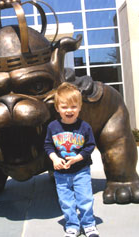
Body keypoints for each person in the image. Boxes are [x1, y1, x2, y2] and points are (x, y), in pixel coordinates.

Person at [44, 82, 99, 237]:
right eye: (64, 107)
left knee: (85, 199)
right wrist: (54, 158)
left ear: (80, 107)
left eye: (73, 106)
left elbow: (90, 146)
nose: (69, 110)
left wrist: (77, 158)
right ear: (57, 108)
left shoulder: (85, 127)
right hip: (61, 173)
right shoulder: (52, 127)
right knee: (66, 201)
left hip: (81, 170)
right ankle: (72, 225)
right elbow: (48, 145)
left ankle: (88, 225)